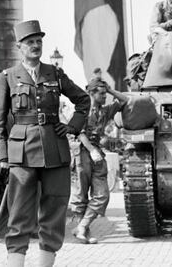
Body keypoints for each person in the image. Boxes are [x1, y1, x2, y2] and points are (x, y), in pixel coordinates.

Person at [0, 20, 90, 267]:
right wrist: (3, 156)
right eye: (30, 42)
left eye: (39, 42)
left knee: (55, 210)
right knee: (19, 214)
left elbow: (83, 100)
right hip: (22, 153)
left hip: (55, 150)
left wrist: (72, 127)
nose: (36, 46)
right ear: (19, 47)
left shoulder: (55, 73)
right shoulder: (8, 76)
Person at [70, 72, 128, 244]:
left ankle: (81, 227)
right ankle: (83, 233)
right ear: (92, 93)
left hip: (96, 153)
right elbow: (78, 132)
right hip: (82, 152)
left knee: (102, 195)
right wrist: (91, 150)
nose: (104, 96)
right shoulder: (82, 110)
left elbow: (125, 101)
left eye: (105, 93)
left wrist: (110, 90)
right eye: (101, 93)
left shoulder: (105, 110)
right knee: (81, 195)